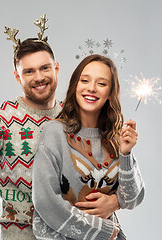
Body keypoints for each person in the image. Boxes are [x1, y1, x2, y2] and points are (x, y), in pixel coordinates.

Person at [0, 18, 121, 239]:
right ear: (17, 76)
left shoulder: (75, 118)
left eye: (44, 68)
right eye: (29, 71)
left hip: (71, 233)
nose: (39, 77)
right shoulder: (0, 119)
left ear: (56, 68)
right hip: (21, 233)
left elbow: (107, 171)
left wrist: (115, 202)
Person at [32, 54, 145, 240]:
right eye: (85, 80)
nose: (91, 88)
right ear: (75, 85)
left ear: (110, 94)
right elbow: (45, 201)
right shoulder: (55, 133)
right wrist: (102, 230)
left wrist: (125, 155)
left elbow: (134, 197)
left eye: (101, 84)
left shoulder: (115, 137)